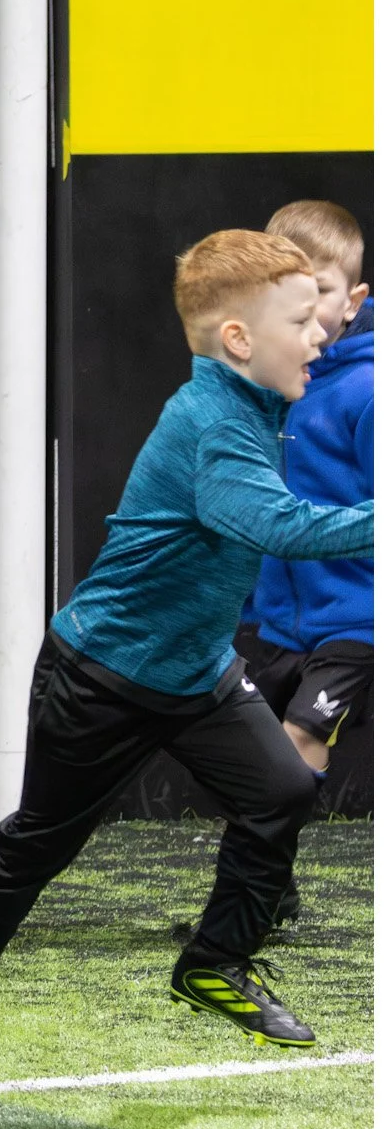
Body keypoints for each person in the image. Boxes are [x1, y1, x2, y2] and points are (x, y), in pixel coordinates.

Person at [0, 229, 373, 1094]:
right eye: (305, 320)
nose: (323, 334)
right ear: (238, 340)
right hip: (103, 678)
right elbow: (281, 528)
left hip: (196, 672)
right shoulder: (211, 424)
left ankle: (213, 963)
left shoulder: (256, 405)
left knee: (280, 792)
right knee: (38, 845)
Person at [233, 202, 371, 913]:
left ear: (354, 299)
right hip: (278, 620)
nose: (305, 306)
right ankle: (271, 890)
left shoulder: (368, 390)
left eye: (319, 288)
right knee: (252, 755)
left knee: (296, 740)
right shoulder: (265, 385)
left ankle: (252, 901)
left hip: (355, 619)